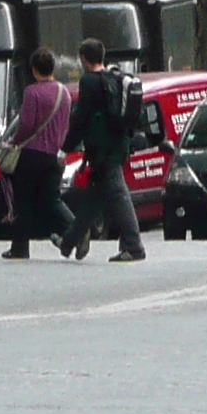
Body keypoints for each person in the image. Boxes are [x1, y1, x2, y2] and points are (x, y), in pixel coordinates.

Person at [63, 39, 149, 262]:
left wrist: (65, 148)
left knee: (118, 194)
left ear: (84, 59)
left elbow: (81, 118)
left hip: (103, 150)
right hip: (118, 145)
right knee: (94, 196)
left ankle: (134, 246)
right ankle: (68, 242)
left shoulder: (90, 82)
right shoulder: (116, 77)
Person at [4, 48, 78, 260]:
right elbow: (65, 125)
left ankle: (20, 247)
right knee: (51, 199)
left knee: (23, 200)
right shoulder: (64, 93)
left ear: (35, 70)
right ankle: (76, 228)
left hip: (32, 154)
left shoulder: (32, 92)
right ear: (52, 68)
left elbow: (26, 125)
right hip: (55, 155)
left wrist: (15, 142)